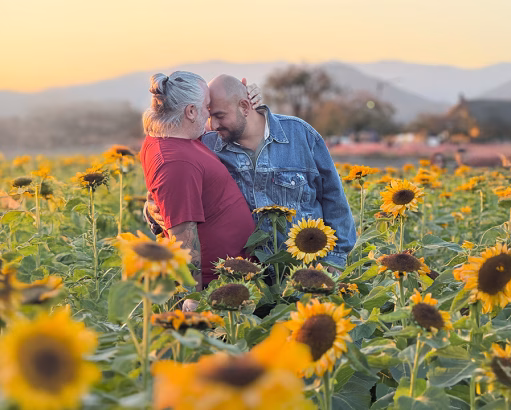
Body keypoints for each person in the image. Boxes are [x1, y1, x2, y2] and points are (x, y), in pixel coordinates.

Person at [147, 74, 356, 270]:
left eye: (220, 116)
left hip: (306, 269)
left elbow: (334, 201)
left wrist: (334, 262)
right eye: (210, 115)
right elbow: (171, 180)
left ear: (245, 106)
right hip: (247, 277)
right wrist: (152, 209)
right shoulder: (207, 145)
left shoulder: (300, 135)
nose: (213, 125)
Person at [139, 71, 256, 290]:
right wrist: (194, 302)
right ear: (191, 111)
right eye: (207, 107)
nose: (209, 115)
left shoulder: (178, 137)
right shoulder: (175, 163)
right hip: (218, 286)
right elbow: (183, 243)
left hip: (234, 275)